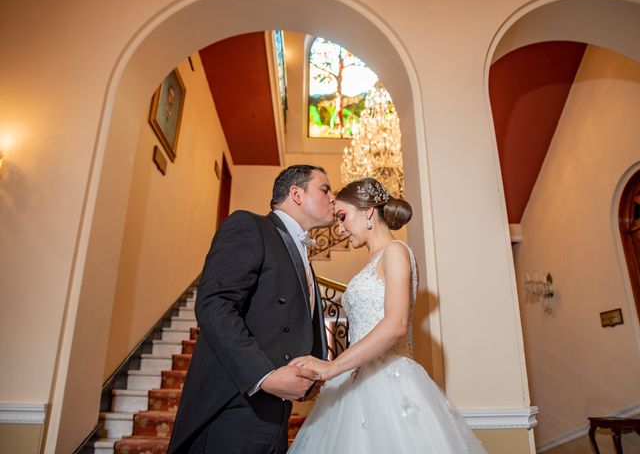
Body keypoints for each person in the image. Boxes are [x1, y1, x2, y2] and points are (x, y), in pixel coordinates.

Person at [287, 177, 488, 453]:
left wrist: (332, 367)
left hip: (387, 383)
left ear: (368, 211)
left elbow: (395, 325)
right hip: (354, 381)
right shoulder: (373, 260)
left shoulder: (395, 251)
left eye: (343, 217)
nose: (341, 228)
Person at [168, 165, 335, 454]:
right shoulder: (249, 226)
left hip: (276, 411)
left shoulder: (302, 252)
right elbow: (214, 306)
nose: (333, 198)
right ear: (296, 194)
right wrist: (265, 377)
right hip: (235, 403)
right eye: (325, 189)